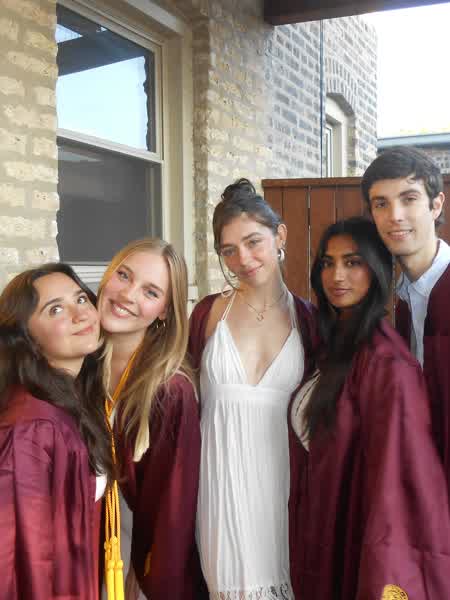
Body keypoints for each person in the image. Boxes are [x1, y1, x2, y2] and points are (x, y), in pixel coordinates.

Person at [290, 216, 450, 600]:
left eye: (353, 262)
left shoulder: (387, 364)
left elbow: (397, 487)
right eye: (328, 263)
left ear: (377, 269)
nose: (337, 276)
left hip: (358, 549)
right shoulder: (332, 348)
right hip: (321, 536)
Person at [189, 178, 317, 599]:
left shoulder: (312, 323)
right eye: (228, 250)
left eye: (253, 242)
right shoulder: (207, 315)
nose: (242, 259)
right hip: (219, 493)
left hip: (285, 495)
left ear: (279, 236)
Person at [97, 238, 202, 600]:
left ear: (164, 311)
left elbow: (172, 506)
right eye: (124, 275)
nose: (127, 294)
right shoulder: (78, 364)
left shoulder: (169, 391)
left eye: (150, 291)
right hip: (81, 548)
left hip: (136, 560)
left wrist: (145, 578)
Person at [0, 263, 112, 600]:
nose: (81, 314)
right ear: (26, 338)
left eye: (81, 299)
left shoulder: (74, 402)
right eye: (56, 309)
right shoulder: (32, 427)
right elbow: (25, 561)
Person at [361, 147, 450, 479]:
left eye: (409, 198)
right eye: (381, 203)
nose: (394, 215)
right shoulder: (401, 304)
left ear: (436, 204)